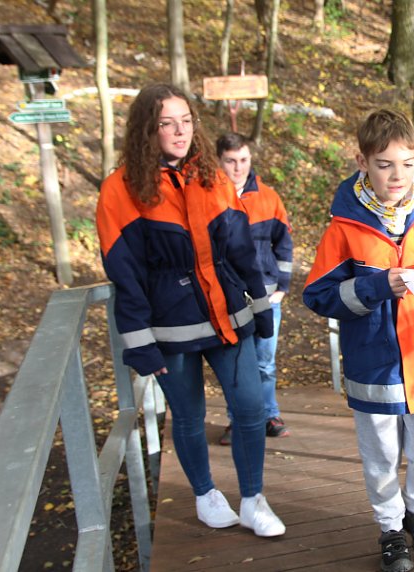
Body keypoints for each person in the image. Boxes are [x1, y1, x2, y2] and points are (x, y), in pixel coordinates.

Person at [96, 83, 285, 537]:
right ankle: (204, 494)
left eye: (186, 121)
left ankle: (254, 499)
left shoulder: (212, 176)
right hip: (170, 326)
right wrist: (139, 342)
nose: (180, 131)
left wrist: (260, 305)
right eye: (167, 123)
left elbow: (242, 250)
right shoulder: (119, 189)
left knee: (250, 408)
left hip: (228, 315)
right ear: (148, 128)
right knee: (187, 416)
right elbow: (127, 275)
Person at [303, 109, 414, 572]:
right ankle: (391, 527)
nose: (397, 175)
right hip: (373, 362)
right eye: (384, 164)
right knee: (380, 456)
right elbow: (317, 296)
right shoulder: (345, 228)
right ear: (362, 161)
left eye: (407, 163)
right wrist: (378, 286)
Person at [216, 132, 294, 446]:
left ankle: (269, 415)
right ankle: (239, 420)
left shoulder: (268, 197)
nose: (238, 168)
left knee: (264, 361)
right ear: (219, 161)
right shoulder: (209, 197)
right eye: (231, 161)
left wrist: (282, 288)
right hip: (226, 297)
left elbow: (284, 244)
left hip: (266, 294)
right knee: (236, 362)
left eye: (244, 160)